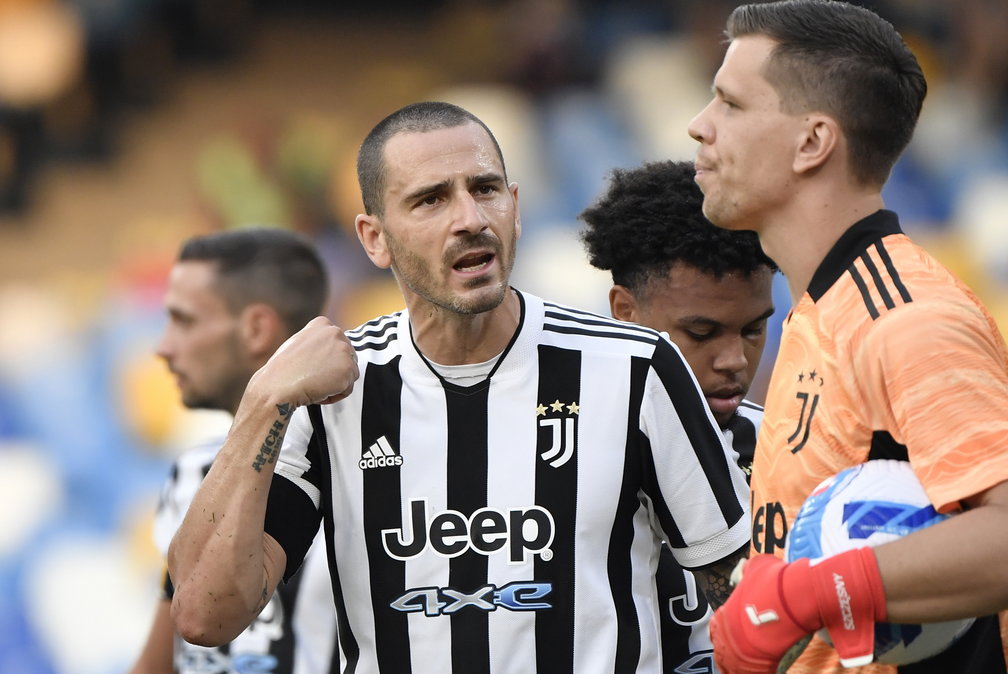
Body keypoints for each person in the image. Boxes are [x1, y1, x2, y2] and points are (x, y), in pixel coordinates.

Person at [166, 101, 751, 674]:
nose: (470, 218)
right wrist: (263, 400)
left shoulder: (634, 368)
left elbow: (744, 591)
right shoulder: (330, 397)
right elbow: (204, 615)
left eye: (486, 189)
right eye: (431, 200)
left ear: (516, 208)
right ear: (375, 238)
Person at [686, 1, 1008, 672]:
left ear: (812, 143)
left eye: (730, 104)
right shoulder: (823, 310)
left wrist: (802, 594)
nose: (699, 126)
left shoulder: (904, 318)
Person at [580, 158, 777, 673]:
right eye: (702, 333)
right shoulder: (562, 463)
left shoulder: (797, 451)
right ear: (625, 312)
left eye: (755, 329)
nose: (734, 360)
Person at [129, 228, 337, 674]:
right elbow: (161, 661)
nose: (162, 348)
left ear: (256, 329)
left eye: (184, 321)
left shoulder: (354, 464)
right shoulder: (191, 471)